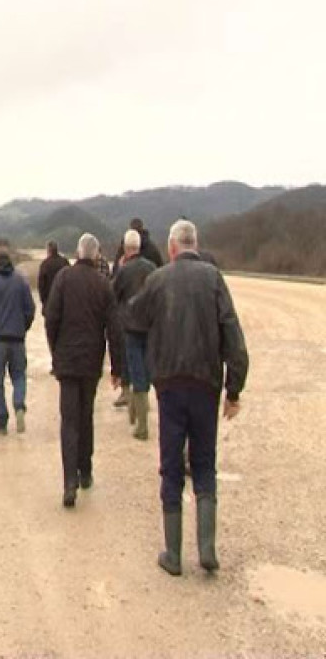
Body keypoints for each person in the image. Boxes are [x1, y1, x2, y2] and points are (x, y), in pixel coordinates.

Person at [130, 220, 248, 576]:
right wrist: (233, 389)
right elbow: (234, 337)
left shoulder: (159, 279)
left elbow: (133, 318)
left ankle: (173, 554)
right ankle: (207, 549)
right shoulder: (214, 279)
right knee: (204, 463)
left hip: (169, 385)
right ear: (196, 244)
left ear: (171, 248)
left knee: (171, 465)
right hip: (205, 385)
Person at [45, 233, 122, 508]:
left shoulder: (63, 279)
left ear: (78, 253)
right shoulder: (103, 284)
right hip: (91, 360)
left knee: (69, 421)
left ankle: (69, 482)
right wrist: (117, 366)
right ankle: (85, 470)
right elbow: (114, 329)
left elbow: (51, 318)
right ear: (97, 255)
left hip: (67, 360)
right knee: (85, 416)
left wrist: (55, 351)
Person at [0, 247, 36, 435]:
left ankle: (2, 419)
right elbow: (30, 310)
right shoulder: (21, 281)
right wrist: (22, 328)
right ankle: (19, 406)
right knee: (19, 376)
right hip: (18, 338)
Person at [112, 230, 156, 439]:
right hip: (149, 326)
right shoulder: (152, 269)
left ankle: (141, 424)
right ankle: (135, 412)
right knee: (145, 371)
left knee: (135, 371)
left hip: (130, 327)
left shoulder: (124, 270)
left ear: (127, 248)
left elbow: (113, 294)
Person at [37, 240, 69, 314]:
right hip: (63, 303)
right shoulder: (64, 262)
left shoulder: (45, 264)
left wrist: (44, 302)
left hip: (49, 303)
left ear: (48, 250)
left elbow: (41, 286)